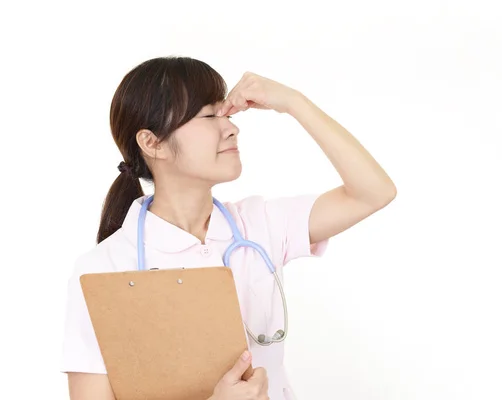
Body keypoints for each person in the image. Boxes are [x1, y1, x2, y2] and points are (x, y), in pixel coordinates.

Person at [60, 56, 396, 400]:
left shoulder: (259, 225)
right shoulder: (104, 268)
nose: (232, 128)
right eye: (209, 116)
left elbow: (374, 192)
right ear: (152, 142)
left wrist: (294, 103)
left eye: (228, 115)